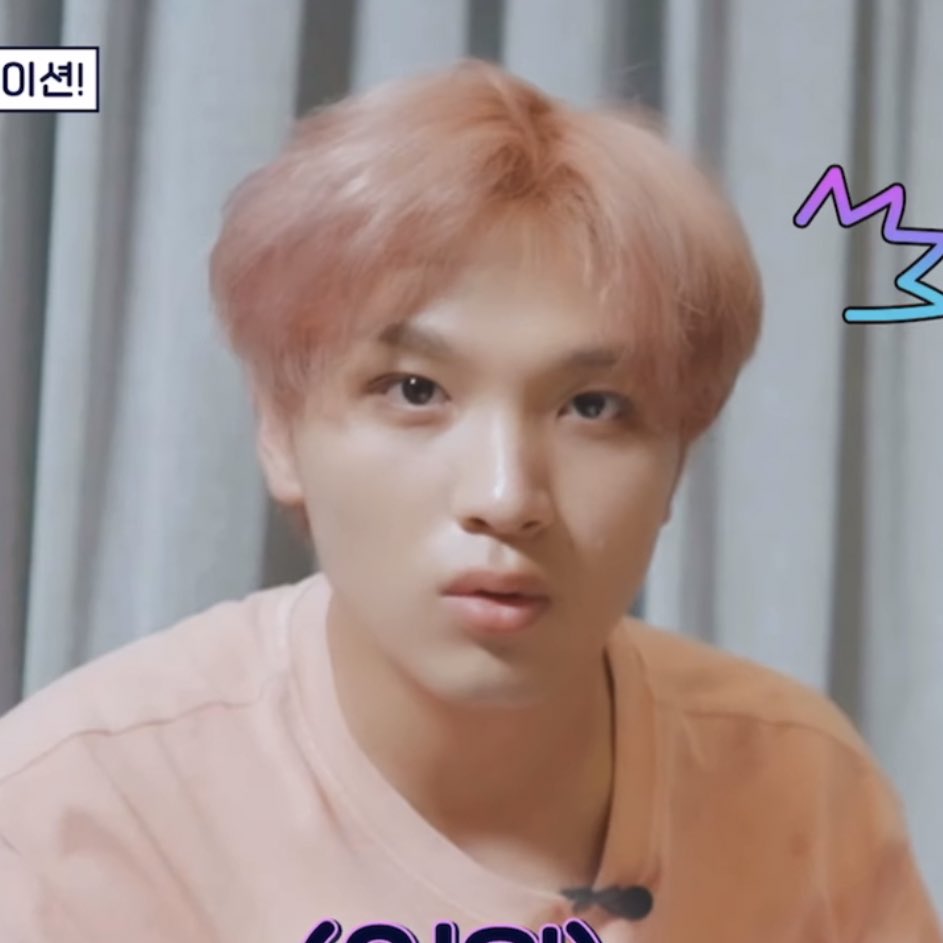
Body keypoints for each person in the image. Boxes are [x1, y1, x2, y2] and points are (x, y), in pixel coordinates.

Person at [0, 59, 939, 943]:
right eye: (415, 390)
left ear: (677, 456)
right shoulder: (76, 812)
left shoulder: (799, 788)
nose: (506, 495)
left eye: (592, 406)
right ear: (280, 430)